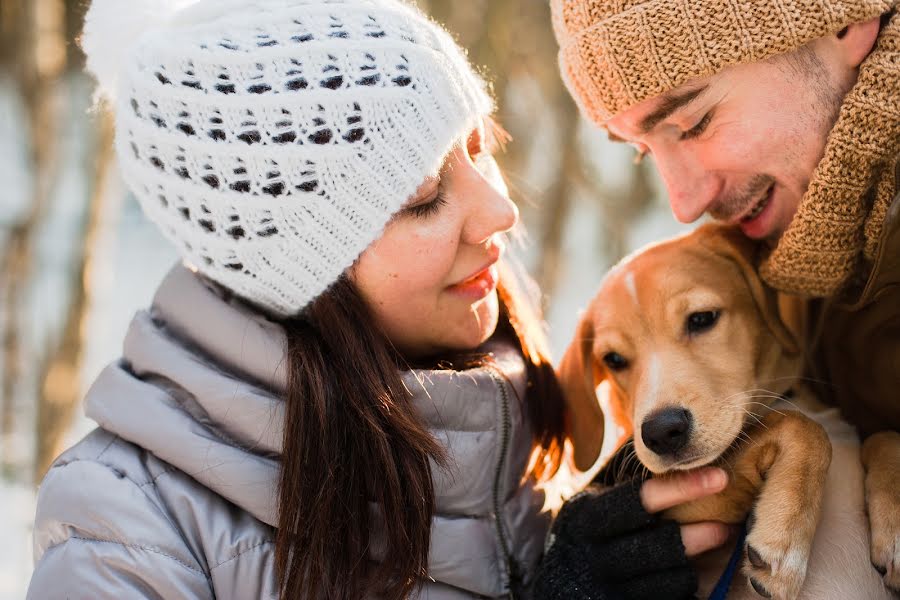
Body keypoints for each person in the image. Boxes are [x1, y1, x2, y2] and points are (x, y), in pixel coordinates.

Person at [27, 0, 734, 598]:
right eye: (425, 197)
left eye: (481, 148)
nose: (498, 212)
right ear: (299, 275)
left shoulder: (520, 449)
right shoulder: (121, 527)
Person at [551, 0, 900, 592]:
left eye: (694, 122)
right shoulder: (794, 268)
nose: (682, 203)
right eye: (642, 149)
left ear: (843, 20)